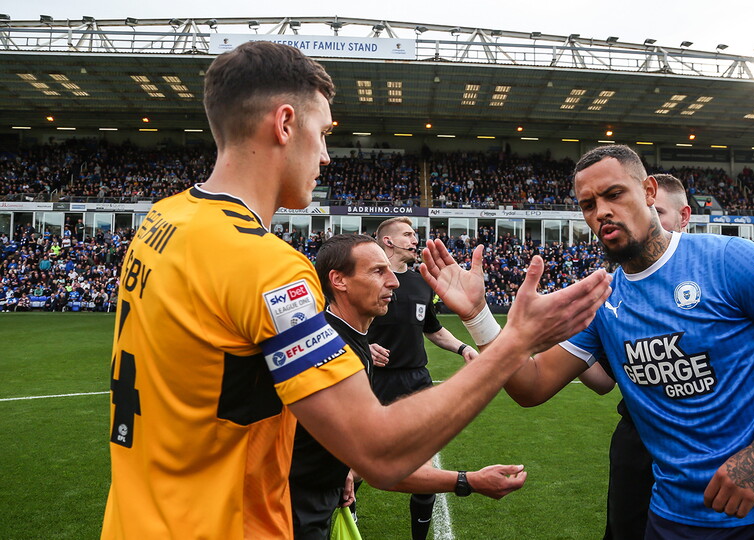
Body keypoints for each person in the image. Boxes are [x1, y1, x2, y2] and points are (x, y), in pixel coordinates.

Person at [101, 41, 612, 539]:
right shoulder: (266, 266)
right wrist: (517, 341)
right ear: (283, 124)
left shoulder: (163, 219)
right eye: (322, 133)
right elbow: (379, 451)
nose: (325, 155)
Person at [420, 145, 754, 539]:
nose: (601, 212)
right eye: (588, 203)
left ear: (649, 192)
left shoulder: (731, 261)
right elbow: (530, 386)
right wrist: (477, 316)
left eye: (614, 194)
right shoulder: (601, 298)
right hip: (673, 518)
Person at [290, 234, 526, 539]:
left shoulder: (343, 339)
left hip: (308, 509)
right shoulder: (333, 351)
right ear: (339, 280)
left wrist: (340, 466)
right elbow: (379, 464)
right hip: (290, 519)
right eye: (378, 271)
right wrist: (469, 481)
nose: (394, 282)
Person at [578, 172, 690, 539]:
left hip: (710, 449)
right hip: (638, 442)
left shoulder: (721, 267)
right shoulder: (611, 294)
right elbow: (602, 383)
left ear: (684, 217)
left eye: (658, 210)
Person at [365, 217, 480, 540]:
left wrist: (462, 347)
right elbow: (333, 323)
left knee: (425, 467)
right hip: (371, 381)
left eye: (415, 233)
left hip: (416, 380)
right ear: (388, 242)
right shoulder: (365, 279)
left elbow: (432, 329)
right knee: (356, 464)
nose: (415, 239)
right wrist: (361, 346)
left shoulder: (419, 283)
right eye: (408, 234)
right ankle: (351, 514)